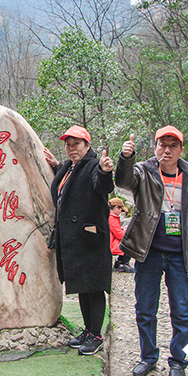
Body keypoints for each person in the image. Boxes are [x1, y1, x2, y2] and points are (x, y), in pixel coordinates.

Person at [115, 126, 188, 376]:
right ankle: (148, 357)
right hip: (149, 253)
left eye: (173, 145)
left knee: (182, 311)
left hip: (181, 255)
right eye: (162, 145)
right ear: (155, 147)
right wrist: (126, 158)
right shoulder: (144, 171)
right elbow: (123, 181)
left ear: (181, 149)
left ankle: (178, 361)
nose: (167, 150)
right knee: (145, 309)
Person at [43, 125, 115, 356]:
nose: (72, 148)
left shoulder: (93, 165)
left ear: (87, 145)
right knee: (82, 286)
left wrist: (105, 171)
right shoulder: (69, 167)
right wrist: (56, 165)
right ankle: (87, 330)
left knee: (94, 287)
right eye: (68, 144)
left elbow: (102, 185)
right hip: (74, 238)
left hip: (90, 237)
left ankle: (96, 335)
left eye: (77, 144)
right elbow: (68, 185)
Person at [109, 197, 134, 273]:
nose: (120, 212)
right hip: (111, 243)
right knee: (130, 242)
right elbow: (119, 235)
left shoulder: (109, 216)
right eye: (121, 210)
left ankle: (120, 262)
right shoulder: (112, 218)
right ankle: (123, 263)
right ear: (116, 208)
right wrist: (126, 231)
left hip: (110, 241)